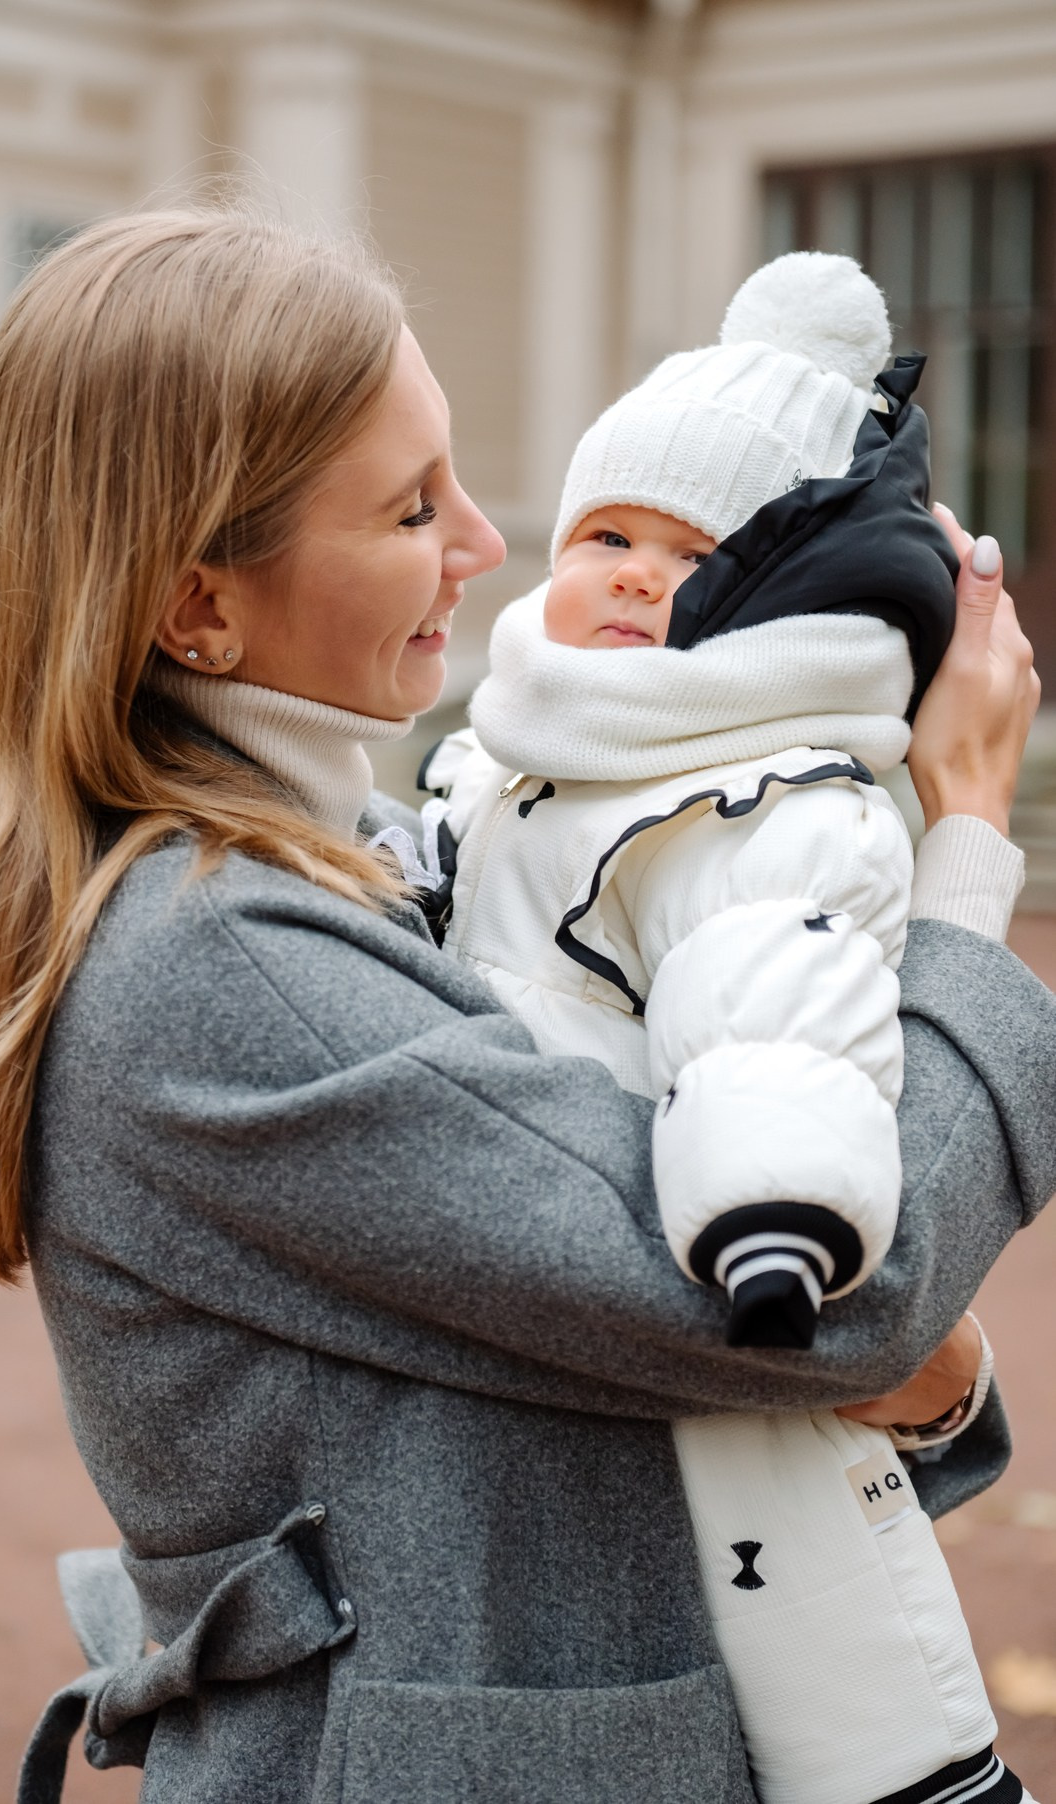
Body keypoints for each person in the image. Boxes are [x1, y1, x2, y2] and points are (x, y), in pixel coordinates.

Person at [0, 209, 1055, 1804]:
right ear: (200, 612)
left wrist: (918, 1377)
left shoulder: (382, 860)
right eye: (409, 506)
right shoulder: (226, 970)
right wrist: (969, 834)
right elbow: (828, 1302)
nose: (489, 545)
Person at [422, 250, 1033, 1804]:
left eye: (690, 553)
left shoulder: (750, 799)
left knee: (812, 1658)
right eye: (604, 534)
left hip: (740, 1264)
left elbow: (772, 1014)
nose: (630, 572)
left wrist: (780, 1214)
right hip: (622, 1370)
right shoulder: (512, 764)